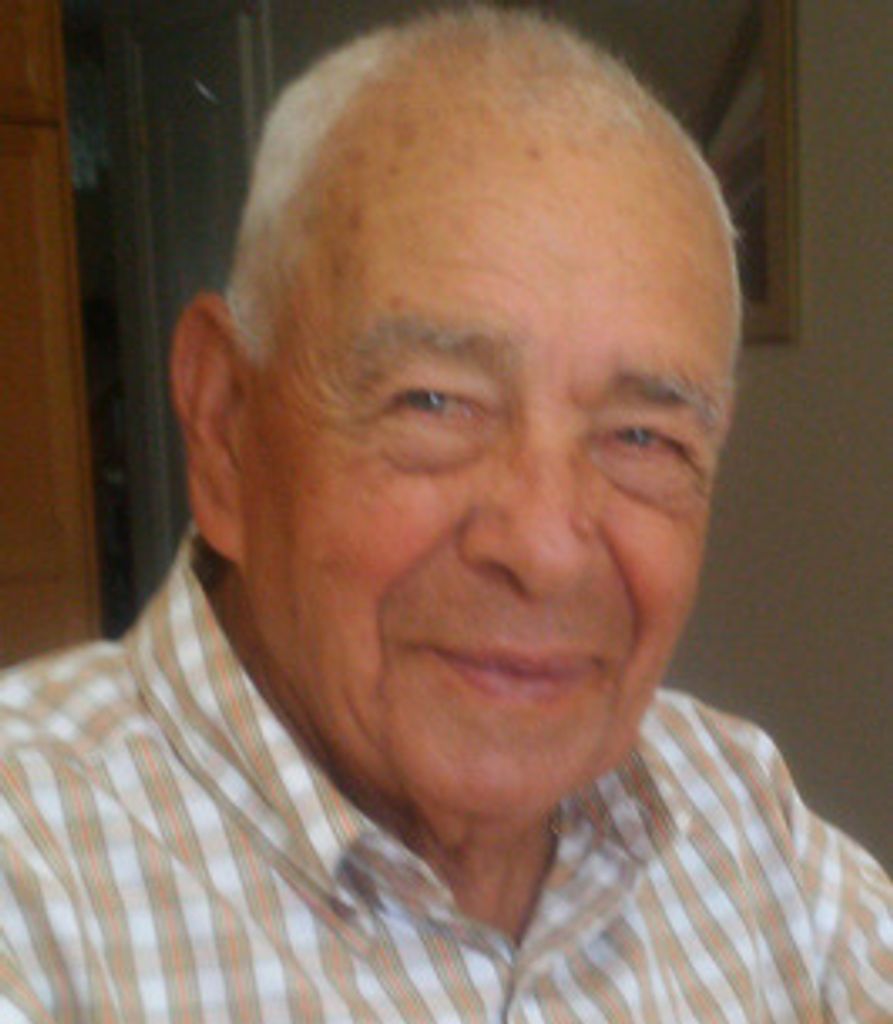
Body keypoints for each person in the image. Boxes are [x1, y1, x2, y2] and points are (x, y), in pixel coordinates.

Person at [1, 6, 890, 1021]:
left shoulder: (733, 804)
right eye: (434, 402)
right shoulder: (31, 873)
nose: (545, 550)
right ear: (226, 428)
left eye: (643, 437)